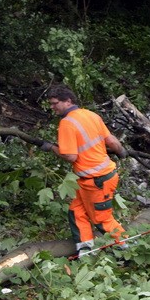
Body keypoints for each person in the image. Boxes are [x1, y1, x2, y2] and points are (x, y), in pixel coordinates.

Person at [43, 85, 128, 253]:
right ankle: (86, 250)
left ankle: (128, 248)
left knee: (102, 219)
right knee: (76, 212)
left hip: (97, 180)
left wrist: (51, 147)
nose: (52, 107)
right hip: (93, 179)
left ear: (68, 101)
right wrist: (121, 151)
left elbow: (70, 156)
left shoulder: (67, 123)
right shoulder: (90, 115)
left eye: (55, 103)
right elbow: (111, 141)